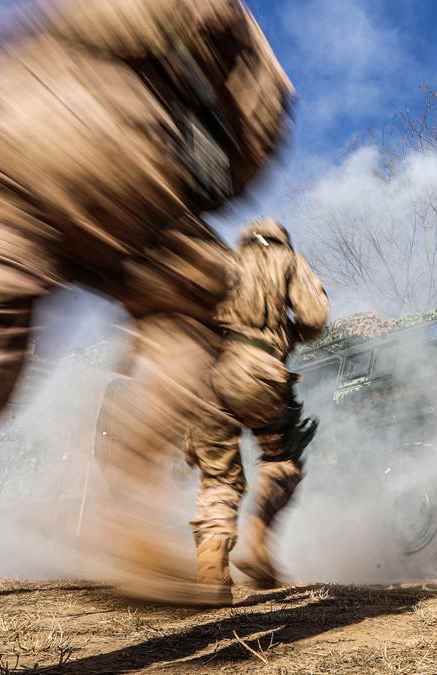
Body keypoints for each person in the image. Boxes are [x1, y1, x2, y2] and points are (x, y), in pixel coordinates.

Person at [0, 0, 293, 599]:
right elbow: (255, 125)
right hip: (106, 127)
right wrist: (208, 176)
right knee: (192, 306)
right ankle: (123, 509)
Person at [184, 218, 329, 604]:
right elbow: (315, 316)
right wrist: (291, 333)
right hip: (259, 373)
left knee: (218, 477)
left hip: (207, 377)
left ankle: (212, 572)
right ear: (281, 239)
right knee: (283, 456)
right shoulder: (288, 260)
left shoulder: (224, 261)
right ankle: (259, 544)